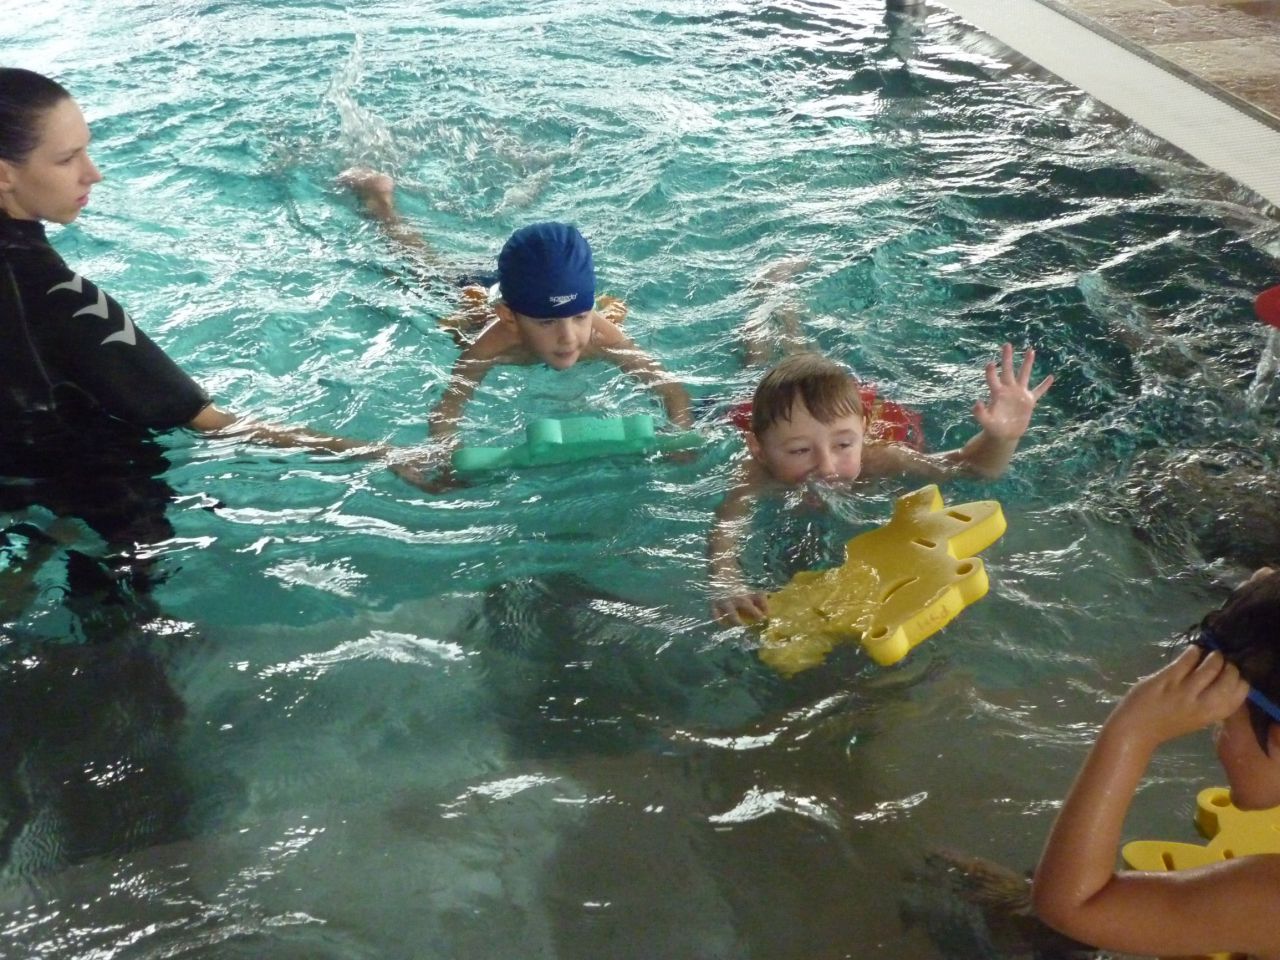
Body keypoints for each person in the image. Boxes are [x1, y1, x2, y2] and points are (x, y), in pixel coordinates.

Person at [0, 68, 384, 591]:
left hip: (22, 489)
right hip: (106, 507)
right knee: (129, 614)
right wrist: (384, 455)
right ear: (4, 174)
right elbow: (210, 423)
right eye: (67, 159)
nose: (94, 174)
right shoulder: (64, 302)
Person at [342, 171, 693, 458]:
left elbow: (672, 392)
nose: (569, 337)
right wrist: (447, 458)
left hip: (528, 289)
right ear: (510, 318)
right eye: (547, 322)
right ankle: (380, 205)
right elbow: (448, 409)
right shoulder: (491, 345)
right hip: (479, 298)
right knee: (424, 272)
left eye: (579, 317)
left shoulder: (602, 336)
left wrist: (679, 438)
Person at [1031, 566, 1280, 960]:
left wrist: (1132, 731)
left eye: (1222, 724)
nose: (1215, 739)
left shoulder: (1268, 901)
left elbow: (1074, 905)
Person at [709, 346, 1052, 625]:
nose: (826, 466)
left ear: (862, 430)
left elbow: (971, 469)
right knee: (757, 363)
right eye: (799, 451)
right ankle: (769, 308)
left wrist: (1001, 438)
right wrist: (728, 582)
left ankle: (787, 316)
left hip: (842, 413)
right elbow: (725, 530)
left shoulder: (881, 458)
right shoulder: (755, 473)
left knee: (799, 357)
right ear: (759, 449)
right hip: (767, 407)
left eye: (844, 445)